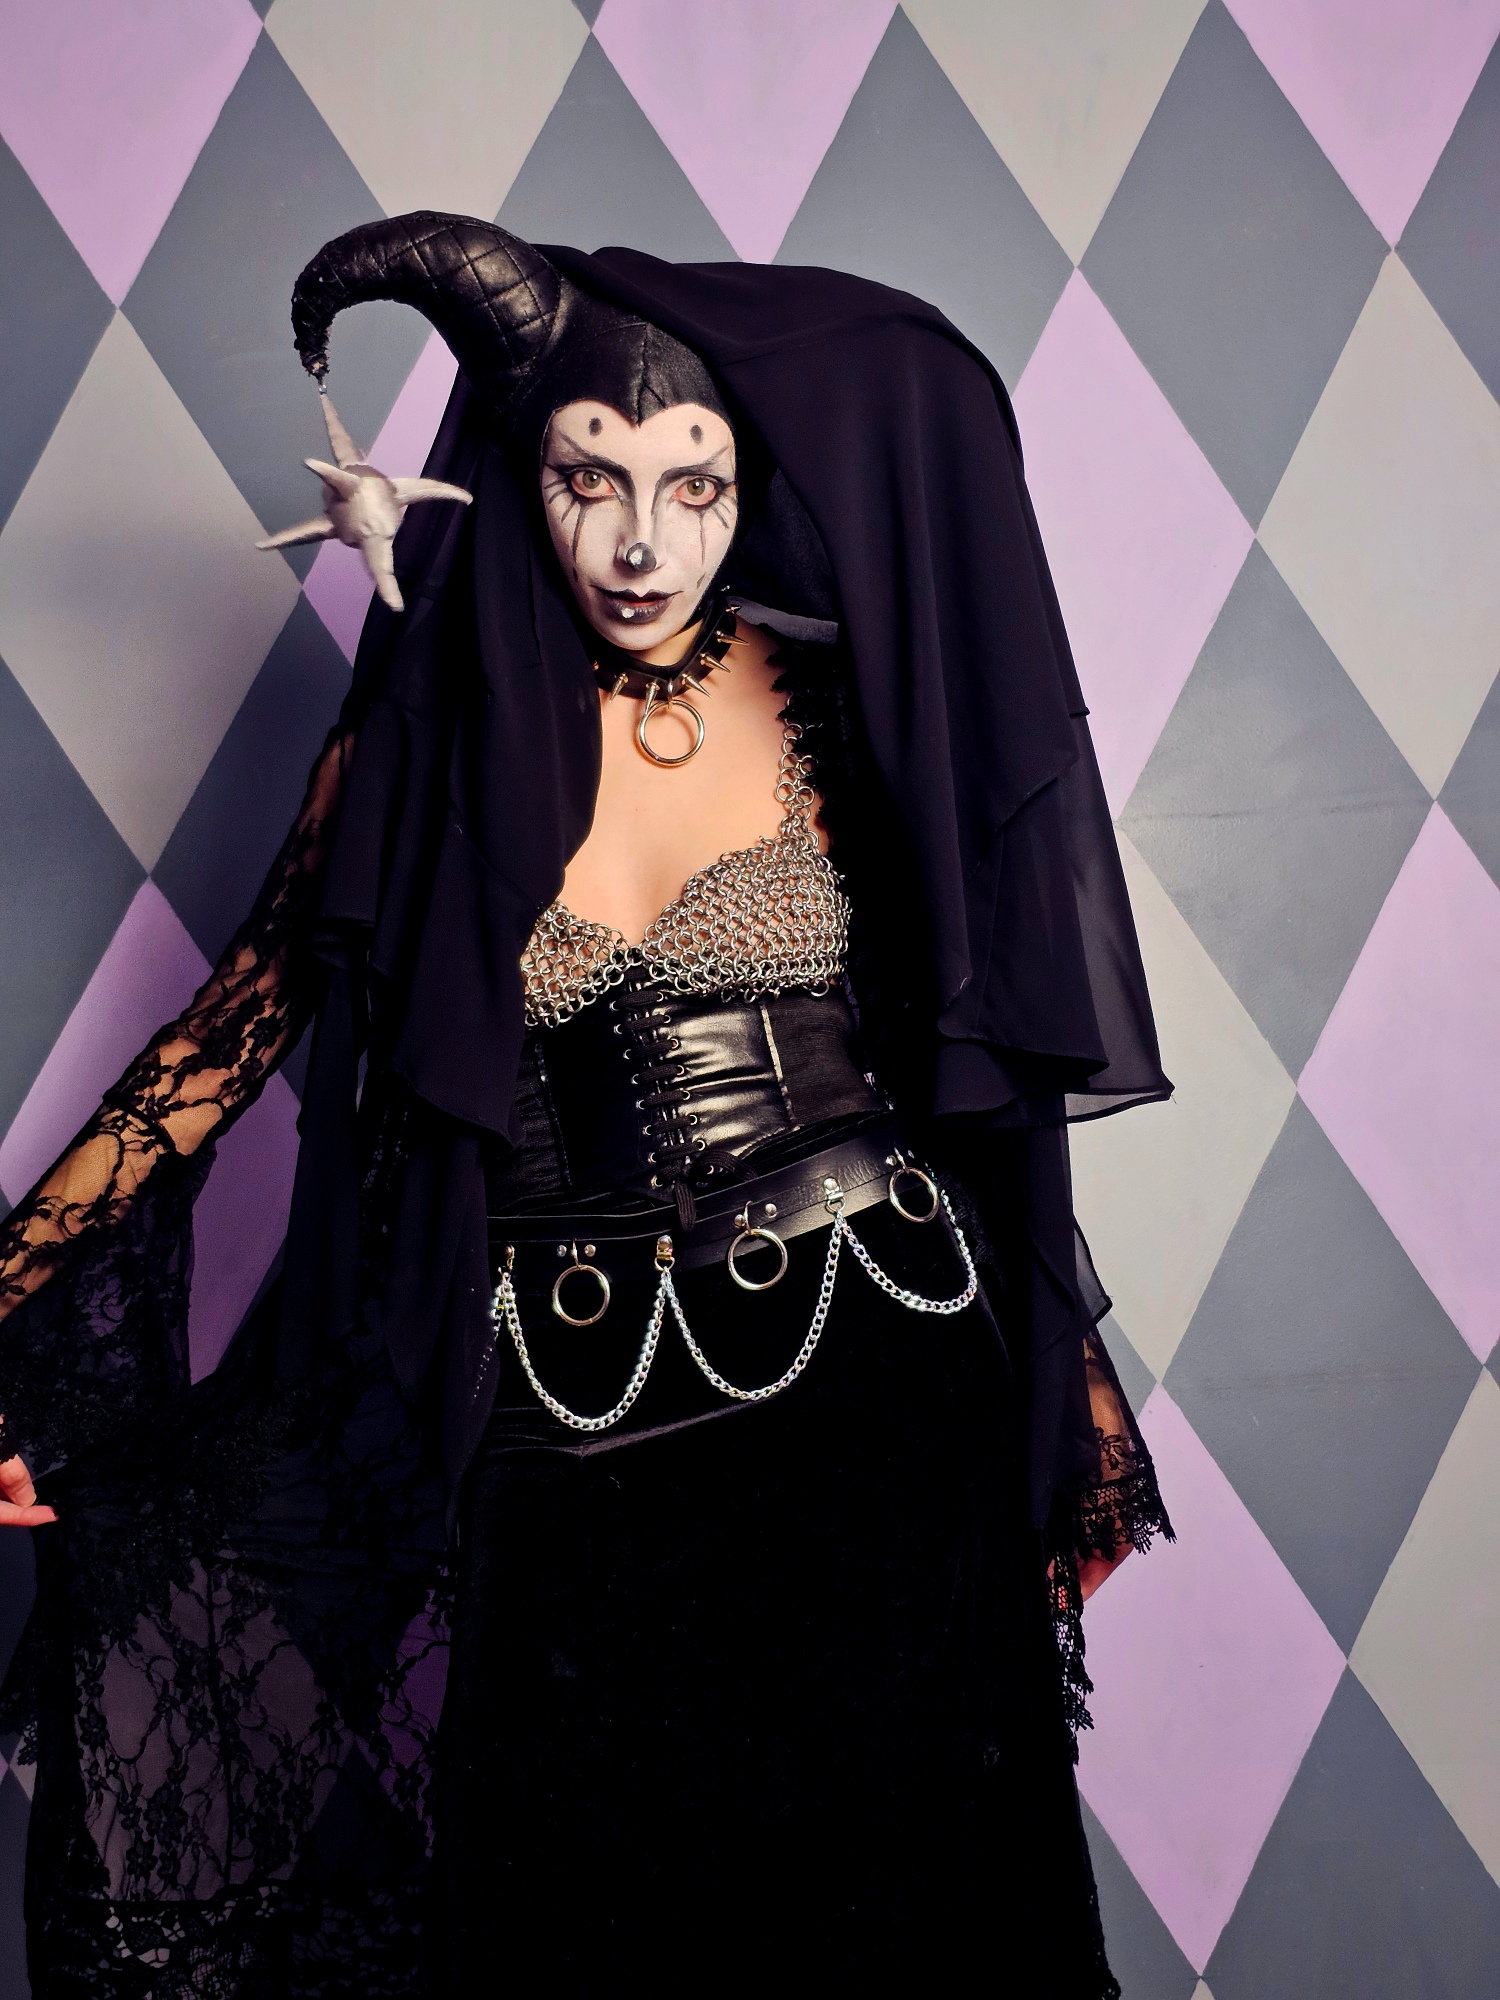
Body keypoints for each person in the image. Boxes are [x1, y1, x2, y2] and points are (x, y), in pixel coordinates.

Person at [0, 213, 1172, 1995]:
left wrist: (1067, 1387)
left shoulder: (826, 693)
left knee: (908, 1933)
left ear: (746, 490)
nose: (642, 542)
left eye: (694, 486)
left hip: (878, 1392)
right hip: (566, 1429)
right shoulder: (425, 733)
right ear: (514, 472)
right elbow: (224, 1038)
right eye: (591, 478)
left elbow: (958, 1066)